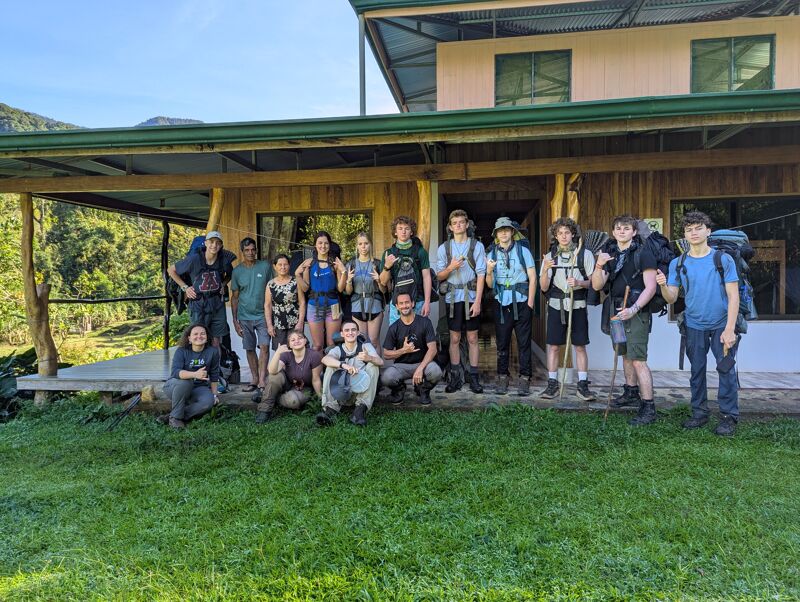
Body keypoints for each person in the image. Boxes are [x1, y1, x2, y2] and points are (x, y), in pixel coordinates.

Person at [656, 211, 740, 436]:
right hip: (693, 324)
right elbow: (672, 297)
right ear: (684, 234)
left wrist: (730, 329)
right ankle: (699, 413)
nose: (693, 233)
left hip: (722, 324)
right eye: (688, 229)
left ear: (708, 231)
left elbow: (734, 296)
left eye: (698, 228)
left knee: (726, 371)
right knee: (697, 371)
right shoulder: (678, 262)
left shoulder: (722, 259)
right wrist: (663, 285)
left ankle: (728, 417)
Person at [592, 215, 659, 426]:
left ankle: (649, 407)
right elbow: (596, 286)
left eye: (626, 228)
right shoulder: (610, 255)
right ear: (613, 232)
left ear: (634, 232)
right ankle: (631, 392)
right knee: (623, 352)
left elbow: (651, 287)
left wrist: (634, 309)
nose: (622, 231)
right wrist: (599, 265)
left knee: (638, 358)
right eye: (618, 228)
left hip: (636, 312)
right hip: (615, 311)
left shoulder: (643, 253)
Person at [539, 217, 596, 401]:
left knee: (579, 346)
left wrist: (579, 282)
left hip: (577, 306)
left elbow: (594, 283)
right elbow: (544, 287)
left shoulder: (584, 255)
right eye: (560, 233)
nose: (563, 236)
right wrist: (546, 269)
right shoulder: (549, 257)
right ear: (555, 236)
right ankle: (552, 383)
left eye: (567, 233)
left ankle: (582, 384)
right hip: (556, 306)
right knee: (554, 346)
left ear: (573, 234)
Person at [485, 217, 537, 395]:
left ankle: (524, 378)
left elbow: (533, 278)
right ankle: (502, 377)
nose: (504, 233)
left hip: (522, 301)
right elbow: (490, 285)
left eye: (507, 229)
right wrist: (490, 271)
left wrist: (530, 303)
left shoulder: (523, 251)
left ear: (512, 232)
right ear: (496, 234)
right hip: (501, 303)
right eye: (500, 230)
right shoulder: (491, 254)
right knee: (502, 343)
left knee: (523, 343)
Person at [436, 209, 486, 393]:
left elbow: (481, 274)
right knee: (454, 338)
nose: (458, 225)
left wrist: (478, 301)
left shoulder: (477, 246)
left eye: (461, 222)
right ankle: (455, 377)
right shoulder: (444, 248)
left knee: (473, 338)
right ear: (450, 227)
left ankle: (473, 377)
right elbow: (439, 276)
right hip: (452, 299)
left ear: (467, 224)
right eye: (454, 223)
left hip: (471, 297)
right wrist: (451, 267)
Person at [167, 231, 232, 348]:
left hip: (217, 303)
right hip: (198, 303)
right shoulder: (194, 259)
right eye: (211, 242)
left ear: (221, 245)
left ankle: (214, 365)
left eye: (218, 243)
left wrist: (223, 284)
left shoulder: (224, 260)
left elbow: (230, 274)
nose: (214, 245)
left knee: (216, 339)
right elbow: (171, 270)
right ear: (206, 243)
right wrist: (184, 287)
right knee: (198, 338)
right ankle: (199, 365)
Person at [316, 321, 384, 427]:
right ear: (342, 334)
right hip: (341, 392)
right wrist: (344, 365)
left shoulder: (365, 346)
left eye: (353, 330)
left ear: (358, 333)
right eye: (346, 330)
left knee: (373, 365)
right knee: (330, 367)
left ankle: (359, 411)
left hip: (361, 392)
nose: (350, 333)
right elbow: (325, 359)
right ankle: (330, 410)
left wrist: (369, 358)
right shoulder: (338, 349)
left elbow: (381, 362)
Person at [381, 293, 442, 405]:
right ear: (397, 306)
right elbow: (386, 354)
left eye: (407, 302)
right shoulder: (394, 327)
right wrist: (404, 350)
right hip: (402, 366)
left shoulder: (425, 322)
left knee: (436, 372)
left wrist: (420, 368)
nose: (404, 306)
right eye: (401, 303)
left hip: (422, 363)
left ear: (413, 303)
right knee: (386, 377)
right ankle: (399, 390)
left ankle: (423, 390)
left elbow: (433, 349)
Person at [230, 237, 273, 394]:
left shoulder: (265, 267)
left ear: (256, 250)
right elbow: (234, 297)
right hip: (244, 315)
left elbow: (273, 288)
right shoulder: (237, 271)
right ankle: (254, 378)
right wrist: (235, 320)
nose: (250, 253)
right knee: (249, 348)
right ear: (242, 252)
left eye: (253, 250)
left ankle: (262, 379)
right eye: (247, 250)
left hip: (263, 314)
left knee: (264, 346)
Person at [160, 323, 219, 430]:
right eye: (195, 334)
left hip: (199, 388)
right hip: (176, 387)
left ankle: (173, 415)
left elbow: (214, 374)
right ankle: (176, 419)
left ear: (207, 337)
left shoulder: (213, 352)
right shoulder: (181, 351)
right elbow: (175, 372)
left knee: (208, 402)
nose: (199, 336)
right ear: (189, 338)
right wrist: (195, 374)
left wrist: (215, 395)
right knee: (185, 382)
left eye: (202, 334)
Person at [255, 329, 322, 423]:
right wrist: (277, 353)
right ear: (289, 345)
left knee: (293, 401)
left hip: (304, 388)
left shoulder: (314, 355)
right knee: (274, 376)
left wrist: (320, 399)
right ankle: (264, 410)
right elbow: (272, 371)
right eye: (293, 340)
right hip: (287, 384)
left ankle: (267, 395)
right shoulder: (286, 354)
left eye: (300, 338)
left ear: (305, 340)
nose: (297, 341)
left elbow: (316, 379)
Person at [295, 231, 345, 351]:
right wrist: (297, 274)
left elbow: (340, 288)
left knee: (332, 344)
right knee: (317, 345)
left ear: (330, 245)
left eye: (326, 243)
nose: (323, 246)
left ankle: (331, 369)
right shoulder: (310, 263)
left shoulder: (334, 263)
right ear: (315, 245)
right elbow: (305, 288)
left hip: (333, 306)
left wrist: (343, 272)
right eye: (320, 243)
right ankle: (317, 370)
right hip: (314, 306)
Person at [379, 215, 432, 325]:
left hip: (418, 301)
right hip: (397, 304)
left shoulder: (421, 252)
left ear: (411, 232)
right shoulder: (389, 253)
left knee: (419, 338)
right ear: (395, 232)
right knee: (398, 338)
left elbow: (427, 277)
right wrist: (386, 267)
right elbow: (383, 282)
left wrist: (427, 302)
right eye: (400, 228)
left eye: (407, 229)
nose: (403, 232)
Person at [341, 232, 386, 351]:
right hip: (357, 305)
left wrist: (379, 281)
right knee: (362, 341)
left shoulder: (377, 263)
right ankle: (364, 369)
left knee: (374, 340)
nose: (363, 246)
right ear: (357, 246)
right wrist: (349, 281)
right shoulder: (351, 264)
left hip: (374, 304)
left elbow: (384, 290)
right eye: (360, 244)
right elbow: (348, 292)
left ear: (370, 245)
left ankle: (377, 369)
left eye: (366, 243)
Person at [265, 253, 305, 351]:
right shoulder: (271, 284)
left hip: (294, 323)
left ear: (289, 265)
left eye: (285, 264)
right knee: (280, 353)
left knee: (296, 350)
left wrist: (300, 322)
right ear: (274, 266)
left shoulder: (295, 282)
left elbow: (302, 303)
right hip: (278, 324)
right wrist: (269, 325)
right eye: (280, 264)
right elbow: (268, 305)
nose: (283, 267)